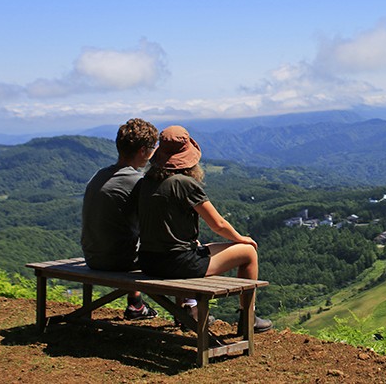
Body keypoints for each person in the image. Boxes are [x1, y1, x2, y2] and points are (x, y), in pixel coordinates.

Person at [137, 125, 272, 333]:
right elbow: (218, 224)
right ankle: (248, 319)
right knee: (248, 253)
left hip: (148, 261)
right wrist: (241, 238)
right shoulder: (183, 183)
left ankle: (186, 313)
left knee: (199, 247)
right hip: (177, 264)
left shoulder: (146, 182)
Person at [81, 118, 159, 320]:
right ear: (143, 151)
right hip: (119, 261)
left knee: (126, 236)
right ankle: (188, 308)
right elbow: (155, 225)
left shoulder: (99, 175)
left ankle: (136, 304)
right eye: (152, 149)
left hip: (92, 256)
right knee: (175, 251)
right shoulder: (136, 181)